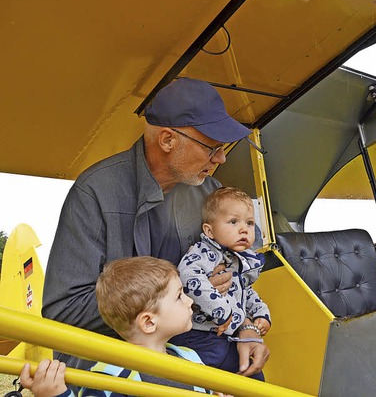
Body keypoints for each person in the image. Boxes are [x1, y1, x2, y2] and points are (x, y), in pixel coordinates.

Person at [42, 77, 268, 376]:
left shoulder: (210, 192)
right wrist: (180, 290)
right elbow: (64, 309)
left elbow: (240, 267)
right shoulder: (94, 192)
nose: (221, 158)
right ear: (167, 140)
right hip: (118, 362)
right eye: (212, 147)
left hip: (196, 347)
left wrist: (246, 327)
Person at [20, 257, 224, 396]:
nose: (189, 301)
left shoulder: (190, 357)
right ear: (149, 322)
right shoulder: (109, 378)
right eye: (179, 296)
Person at [171, 187, 271, 381]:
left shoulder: (240, 259)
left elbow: (245, 290)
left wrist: (260, 312)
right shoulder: (203, 252)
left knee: (255, 377)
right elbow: (189, 278)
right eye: (233, 222)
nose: (244, 229)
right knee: (202, 381)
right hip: (198, 336)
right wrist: (223, 311)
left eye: (249, 223)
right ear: (209, 230)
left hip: (226, 337)